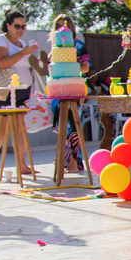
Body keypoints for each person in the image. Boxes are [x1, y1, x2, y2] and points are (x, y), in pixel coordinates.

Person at [0, 9, 38, 176]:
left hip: (21, 91)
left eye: (23, 26)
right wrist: (24, 53)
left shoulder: (22, 44)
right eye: (17, 26)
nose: (20, 30)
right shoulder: (0, 39)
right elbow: (1, 63)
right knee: (0, 130)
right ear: (8, 25)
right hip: (2, 90)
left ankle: (22, 165)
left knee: (19, 129)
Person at [48, 13, 90, 172]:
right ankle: (62, 158)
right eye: (58, 26)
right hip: (57, 92)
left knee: (72, 125)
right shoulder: (55, 47)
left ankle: (74, 161)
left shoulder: (77, 45)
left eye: (64, 25)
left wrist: (71, 65)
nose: (62, 28)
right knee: (61, 126)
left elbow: (85, 68)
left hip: (73, 90)